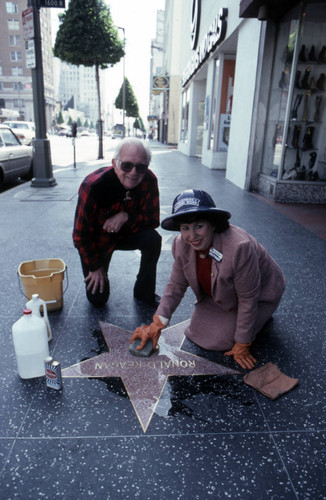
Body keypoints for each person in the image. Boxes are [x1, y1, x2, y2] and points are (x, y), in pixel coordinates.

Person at [130, 189, 286, 370]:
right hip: (222, 292)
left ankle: (263, 316)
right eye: (185, 228)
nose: (192, 236)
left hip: (260, 294)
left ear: (212, 224)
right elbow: (176, 286)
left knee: (223, 342)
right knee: (197, 332)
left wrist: (243, 343)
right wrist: (157, 324)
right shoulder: (180, 244)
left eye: (199, 226)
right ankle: (231, 315)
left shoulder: (239, 248)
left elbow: (248, 298)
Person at [73, 138, 161, 308]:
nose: (134, 172)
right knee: (98, 299)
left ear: (147, 166)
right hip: (98, 242)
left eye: (141, 167)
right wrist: (95, 266)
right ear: (114, 163)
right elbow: (80, 235)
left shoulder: (149, 180)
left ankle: (144, 290)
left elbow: (153, 220)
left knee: (153, 239)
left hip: (127, 234)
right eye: (127, 165)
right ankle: (100, 273)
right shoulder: (93, 186)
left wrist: (126, 216)